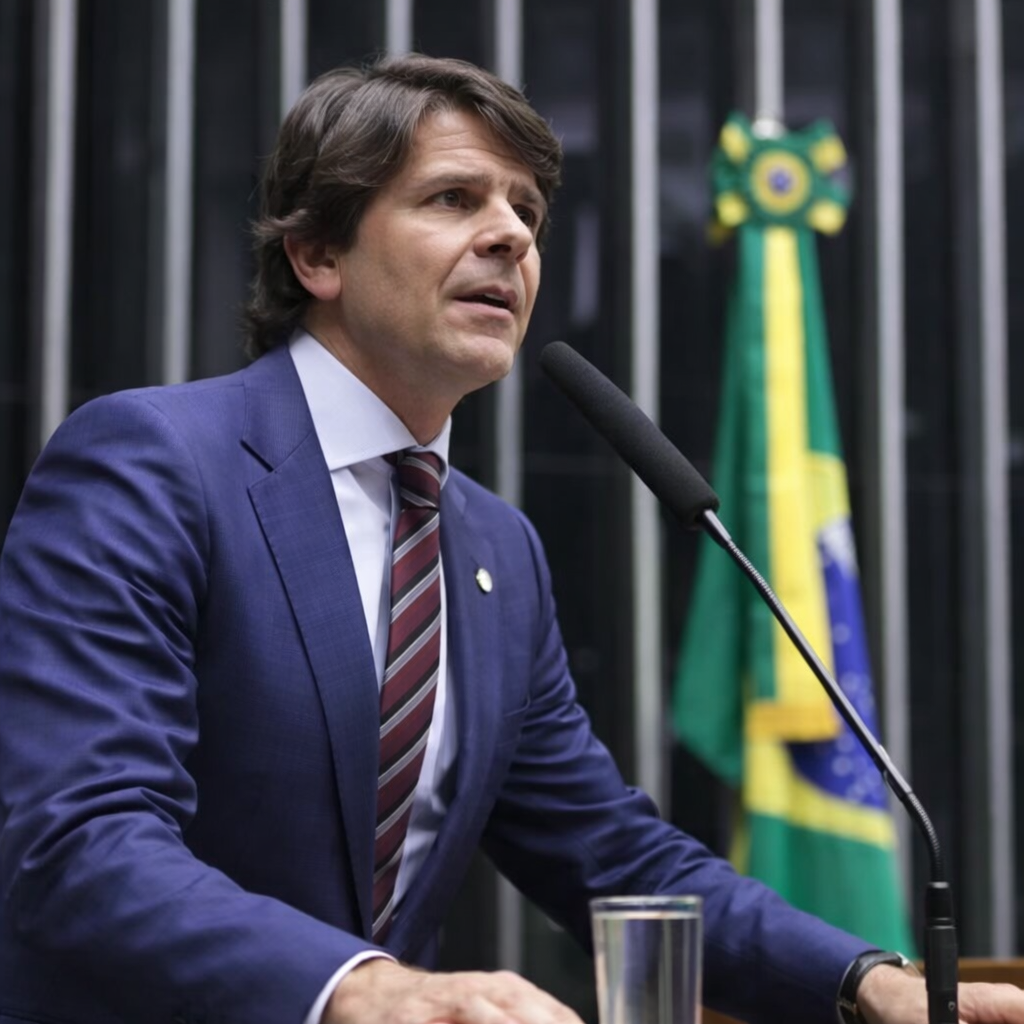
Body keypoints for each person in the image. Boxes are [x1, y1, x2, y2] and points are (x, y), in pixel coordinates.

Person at [0, 53, 1020, 1024]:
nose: (513, 237)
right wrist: (363, 986)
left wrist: (866, 985)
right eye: (454, 198)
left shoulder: (493, 546)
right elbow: (78, 837)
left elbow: (612, 856)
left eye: (526, 211)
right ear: (316, 253)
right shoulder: (155, 461)